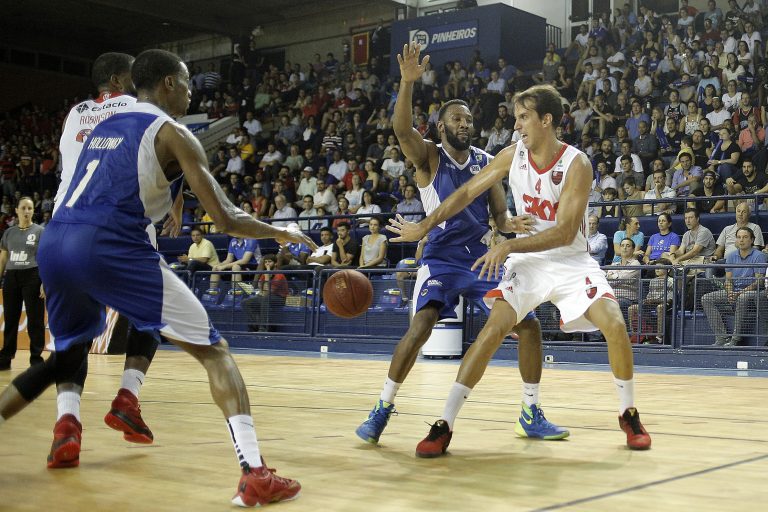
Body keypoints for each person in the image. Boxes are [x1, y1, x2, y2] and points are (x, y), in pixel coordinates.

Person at [0, 49, 312, 506]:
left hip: (55, 242)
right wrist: (281, 232)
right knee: (215, 352)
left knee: (63, 363)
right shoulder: (174, 133)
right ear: (168, 83)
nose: (191, 93)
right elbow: (225, 219)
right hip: (109, 244)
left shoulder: (101, 126)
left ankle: (90, 414)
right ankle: (254, 474)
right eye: (186, 83)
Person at [388, 82, 652, 454]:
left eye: (524, 117)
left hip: (571, 261)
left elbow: (564, 233)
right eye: (516, 118)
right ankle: (444, 424)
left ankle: (628, 414)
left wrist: (508, 243)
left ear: (547, 120)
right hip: (528, 262)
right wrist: (424, 226)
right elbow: (466, 193)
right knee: (493, 330)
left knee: (615, 325)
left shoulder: (577, 163)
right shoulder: (512, 155)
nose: (517, 125)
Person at [355, 43, 567, 450]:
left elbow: (499, 215)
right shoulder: (428, 158)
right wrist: (407, 83)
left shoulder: (487, 161)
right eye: (457, 118)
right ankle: (382, 406)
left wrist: (510, 224)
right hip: (439, 258)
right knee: (421, 325)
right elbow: (401, 130)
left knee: (528, 325)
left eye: (468, 118)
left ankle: (530, 411)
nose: (465, 123)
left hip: (479, 260)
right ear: (440, 127)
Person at [702, 227, 767, 346]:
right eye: (739, 237)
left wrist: (739, 293)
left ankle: (735, 339)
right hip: (735, 291)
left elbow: (759, 282)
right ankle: (722, 337)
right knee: (706, 298)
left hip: (753, 292)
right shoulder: (731, 256)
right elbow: (728, 280)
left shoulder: (759, 256)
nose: (741, 240)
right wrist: (730, 292)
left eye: (745, 237)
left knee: (742, 297)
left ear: (752, 240)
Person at [0, 197, 45, 370]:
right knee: (10, 319)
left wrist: (45, 282)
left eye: (30, 208)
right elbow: (3, 258)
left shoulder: (40, 231)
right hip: (11, 276)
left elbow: (46, 258)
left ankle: (36, 358)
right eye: (24, 208)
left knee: (35, 320)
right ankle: (6, 357)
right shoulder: (9, 233)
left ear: (33, 211)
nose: (27, 211)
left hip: (33, 275)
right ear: (16, 210)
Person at [241, 254, 289, 332]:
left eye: (269, 262)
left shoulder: (279, 275)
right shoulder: (264, 274)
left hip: (280, 298)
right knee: (245, 302)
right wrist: (261, 291)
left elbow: (268, 291)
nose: (267, 264)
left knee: (265, 299)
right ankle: (255, 326)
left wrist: (267, 276)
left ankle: (263, 328)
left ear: (275, 263)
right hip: (267, 296)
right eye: (265, 262)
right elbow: (261, 289)